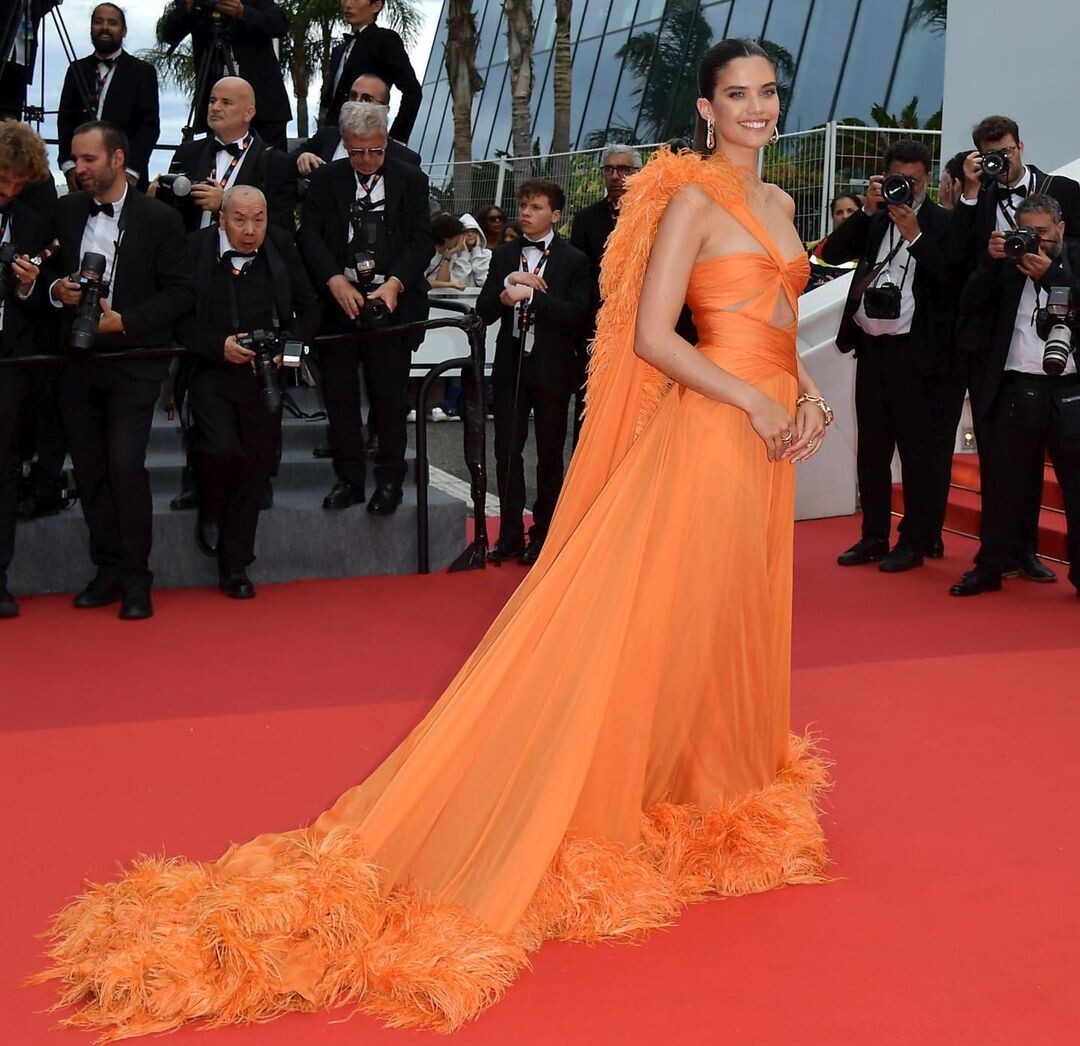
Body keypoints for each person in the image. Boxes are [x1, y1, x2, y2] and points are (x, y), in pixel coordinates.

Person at [38, 39, 830, 1039]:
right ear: (706, 110)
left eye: (768, 92)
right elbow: (652, 338)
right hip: (714, 436)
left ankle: (709, 794)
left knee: (727, 616)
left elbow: (776, 320)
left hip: (768, 436)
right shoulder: (690, 204)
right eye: (737, 95)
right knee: (658, 617)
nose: (757, 108)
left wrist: (802, 390)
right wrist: (752, 402)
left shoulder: (781, 203)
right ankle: (622, 793)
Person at [49, 121, 192, 620]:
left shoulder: (161, 219)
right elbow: (46, 274)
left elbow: (181, 292)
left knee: (125, 467)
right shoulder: (66, 211)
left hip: (134, 363)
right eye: (75, 159)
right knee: (90, 471)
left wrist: (124, 321)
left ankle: (136, 579)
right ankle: (107, 571)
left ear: (117, 159)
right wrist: (57, 292)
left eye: (88, 159)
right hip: (77, 363)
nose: (78, 168)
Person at [948, 114, 1080, 583]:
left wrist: (1053, 271)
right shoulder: (984, 208)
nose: (1033, 240)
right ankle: (995, 563)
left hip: (1070, 382)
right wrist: (992, 260)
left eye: (1005, 151)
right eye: (1028, 231)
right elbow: (963, 288)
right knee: (1004, 481)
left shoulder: (1065, 198)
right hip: (1011, 376)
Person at [824, 140, 957, 573]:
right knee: (872, 450)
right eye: (900, 180)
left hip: (917, 355)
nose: (908, 189)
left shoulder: (943, 222)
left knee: (917, 454)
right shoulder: (876, 218)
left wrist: (915, 235)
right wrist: (866, 210)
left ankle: (915, 540)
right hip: (872, 350)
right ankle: (873, 536)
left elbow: (950, 281)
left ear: (928, 179)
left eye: (915, 181)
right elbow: (832, 253)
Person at [178, 186, 317, 598]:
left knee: (256, 465)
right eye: (240, 220)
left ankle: (235, 563)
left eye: (259, 219)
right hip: (210, 370)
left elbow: (310, 308)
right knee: (221, 449)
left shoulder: (280, 247)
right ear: (222, 219)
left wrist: (288, 350)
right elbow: (176, 317)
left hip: (265, 374)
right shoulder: (195, 249)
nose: (250, 230)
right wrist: (216, 346)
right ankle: (210, 506)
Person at [297, 101, 432, 515]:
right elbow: (309, 236)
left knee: (389, 399)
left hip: (392, 304)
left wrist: (394, 285)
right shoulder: (326, 179)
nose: (368, 159)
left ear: (386, 142)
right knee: (339, 398)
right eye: (357, 152)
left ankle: (390, 481)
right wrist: (334, 280)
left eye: (376, 150)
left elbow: (422, 241)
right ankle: (350, 480)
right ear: (345, 143)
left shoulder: (411, 179)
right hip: (339, 304)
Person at [478, 178, 591, 565]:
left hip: (553, 367)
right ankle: (509, 533)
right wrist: (509, 283)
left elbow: (577, 314)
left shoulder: (574, 260)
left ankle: (543, 533)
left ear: (555, 215)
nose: (526, 213)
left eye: (536, 207)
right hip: (510, 366)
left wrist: (533, 296)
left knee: (549, 454)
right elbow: (484, 311)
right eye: (524, 205)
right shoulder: (504, 255)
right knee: (506, 451)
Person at [0, 120, 51, 618]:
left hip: (10, 362)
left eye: (18, 183)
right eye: (3, 179)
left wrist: (28, 286)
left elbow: (37, 309)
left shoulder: (31, 224)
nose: (9, 190)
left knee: (4, 470)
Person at [155, 76, 296, 233]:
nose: (215, 107)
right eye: (212, 101)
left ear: (248, 113)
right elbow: (172, 217)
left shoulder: (273, 161)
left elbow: (282, 225)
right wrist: (157, 197)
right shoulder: (188, 152)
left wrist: (225, 205)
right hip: (192, 247)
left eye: (226, 102)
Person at [570, 145, 643, 441]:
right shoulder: (586, 219)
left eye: (623, 169)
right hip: (596, 329)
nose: (615, 176)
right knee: (590, 406)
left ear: (638, 173)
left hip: (643, 323)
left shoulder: (659, 213)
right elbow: (580, 278)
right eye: (609, 169)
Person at [160, 0, 292, 150]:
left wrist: (243, 12)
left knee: (270, 159)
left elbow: (280, 25)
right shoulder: (198, 6)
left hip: (264, 106)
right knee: (218, 159)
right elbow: (169, 34)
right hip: (217, 104)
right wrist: (188, 6)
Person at [56, 4, 160, 192]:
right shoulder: (76, 70)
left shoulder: (143, 72)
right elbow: (65, 121)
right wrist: (68, 166)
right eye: (98, 22)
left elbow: (148, 126)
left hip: (126, 178)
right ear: (91, 28)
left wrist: (131, 171)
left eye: (112, 23)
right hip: (81, 178)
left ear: (124, 31)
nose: (104, 27)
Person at [321, 0, 422, 144]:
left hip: (367, 137)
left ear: (376, 6)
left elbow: (412, 91)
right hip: (333, 138)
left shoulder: (384, 40)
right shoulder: (340, 50)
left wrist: (396, 138)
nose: (348, 4)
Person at [293, 72, 421, 177]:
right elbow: (288, 162)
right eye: (353, 96)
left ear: (385, 109)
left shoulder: (405, 159)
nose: (356, 103)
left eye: (366, 99)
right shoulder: (327, 137)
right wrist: (302, 158)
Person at [806, 194, 863, 289]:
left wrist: (837, 286)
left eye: (850, 211)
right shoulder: (818, 247)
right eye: (839, 213)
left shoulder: (872, 245)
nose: (845, 216)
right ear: (832, 217)